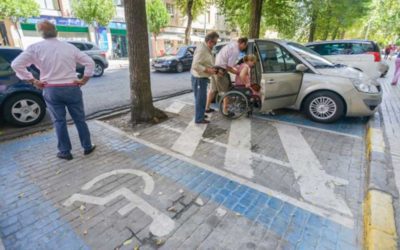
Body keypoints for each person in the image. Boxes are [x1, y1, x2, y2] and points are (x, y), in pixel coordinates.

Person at [11, 20, 96, 160]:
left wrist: (33, 80)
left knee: (59, 121)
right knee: (79, 119)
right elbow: (90, 62)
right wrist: (84, 80)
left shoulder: (34, 48)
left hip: (51, 89)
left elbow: (16, 64)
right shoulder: (69, 47)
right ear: (56, 31)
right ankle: (87, 147)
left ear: (41, 33)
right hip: (72, 87)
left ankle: (65, 152)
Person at [205, 37, 248, 115]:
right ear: (242, 43)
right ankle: (226, 111)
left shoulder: (231, 45)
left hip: (215, 69)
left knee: (212, 90)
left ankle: (206, 108)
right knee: (226, 92)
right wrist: (238, 73)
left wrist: (235, 66)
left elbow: (229, 62)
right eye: (245, 45)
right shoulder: (236, 51)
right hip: (221, 72)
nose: (245, 47)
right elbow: (229, 67)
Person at [190, 31, 219, 124]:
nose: (215, 44)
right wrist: (208, 70)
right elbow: (195, 65)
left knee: (201, 98)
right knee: (200, 98)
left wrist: (213, 69)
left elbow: (206, 61)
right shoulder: (202, 50)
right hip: (199, 78)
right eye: (215, 42)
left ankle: (201, 114)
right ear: (210, 41)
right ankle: (199, 119)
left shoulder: (206, 48)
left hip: (201, 77)